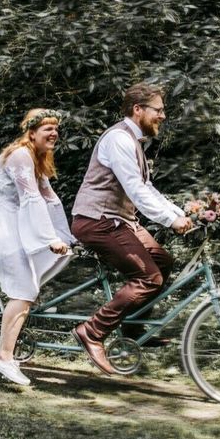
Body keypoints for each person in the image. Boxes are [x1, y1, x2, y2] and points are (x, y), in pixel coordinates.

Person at [70, 82, 193, 375]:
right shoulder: (119, 140)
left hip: (118, 220)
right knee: (149, 277)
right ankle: (92, 331)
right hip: (97, 221)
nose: (163, 116)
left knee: (163, 262)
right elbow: (136, 192)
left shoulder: (134, 141)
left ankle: (133, 328)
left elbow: (146, 187)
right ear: (138, 110)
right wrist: (170, 220)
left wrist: (180, 212)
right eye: (159, 110)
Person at [0, 109, 74, 386]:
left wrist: (67, 235)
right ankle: (3, 357)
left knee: (27, 288)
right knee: (24, 288)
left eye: (56, 129)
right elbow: (31, 199)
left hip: (10, 222)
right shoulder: (19, 155)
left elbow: (49, 199)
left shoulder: (37, 158)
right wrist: (49, 239)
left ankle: (7, 352)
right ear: (31, 133)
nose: (53, 133)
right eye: (47, 129)